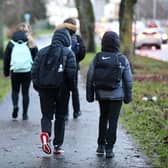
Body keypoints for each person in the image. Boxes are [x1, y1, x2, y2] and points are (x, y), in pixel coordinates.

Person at [86, 31, 133, 158]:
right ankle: (109, 148)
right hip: (117, 95)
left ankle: (100, 146)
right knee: (113, 121)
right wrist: (128, 97)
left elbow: (90, 77)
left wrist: (90, 95)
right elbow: (128, 81)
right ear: (117, 43)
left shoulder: (98, 57)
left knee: (103, 117)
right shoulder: (122, 59)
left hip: (101, 94)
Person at [31, 29, 76, 155]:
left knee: (46, 115)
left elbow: (34, 71)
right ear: (66, 39)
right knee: (60, 117)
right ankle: (57, 146)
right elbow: (71, 74)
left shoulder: (42, 52)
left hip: (44, 89)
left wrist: (37, 86)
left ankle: (46, 134)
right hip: (62, 89)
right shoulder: (68, 53)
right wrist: (72, 89)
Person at [3, 23, 38, 120]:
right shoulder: (30, 42)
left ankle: (15, 106)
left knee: (15, 91)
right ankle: (25, 114)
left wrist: (6, 72)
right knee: (25, 92)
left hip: (15, 71)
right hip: (27, 71)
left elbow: (6, 59)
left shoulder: (11, 43)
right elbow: (37, 58)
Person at [55, 18, 86, 119]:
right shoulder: (77, 38)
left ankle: (65, 112)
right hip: (74, 67)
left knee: (64, 90)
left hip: (61, 67)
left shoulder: (60, 35)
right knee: (74, 89)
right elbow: (82, 52)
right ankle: (76, 111)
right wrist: (76, 60)